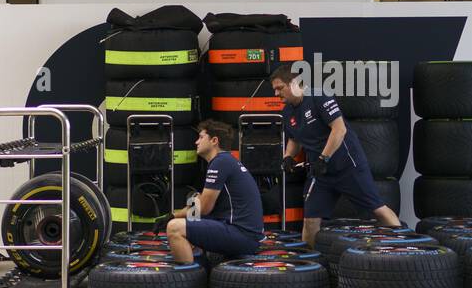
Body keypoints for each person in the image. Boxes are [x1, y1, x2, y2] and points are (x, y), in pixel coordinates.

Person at [269, 63, 400, 248]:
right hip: (320, 173)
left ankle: (403, 246)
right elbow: (294, 139)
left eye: (279, 88)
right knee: (310, 220)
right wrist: (288, 157)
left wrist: (324, 158)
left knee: (377, 209)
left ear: (294, 83)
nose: (276, 94)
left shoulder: (318, 97)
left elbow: (339, 129)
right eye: (274, 90)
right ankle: (312, 264)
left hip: (347, 165)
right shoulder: (288, 111)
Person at [161, 119, 263, 263]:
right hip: (242, 232)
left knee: (174, 228)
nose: (196, 142)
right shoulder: (226, 161)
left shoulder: (220, 162)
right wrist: (182, 215)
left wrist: (173, 216)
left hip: (242, 235)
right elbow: (200, 202)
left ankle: (185, 280)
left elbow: (204, 208)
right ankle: (199, 262)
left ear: (214, 140)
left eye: (201, 137)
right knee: (193, 197)